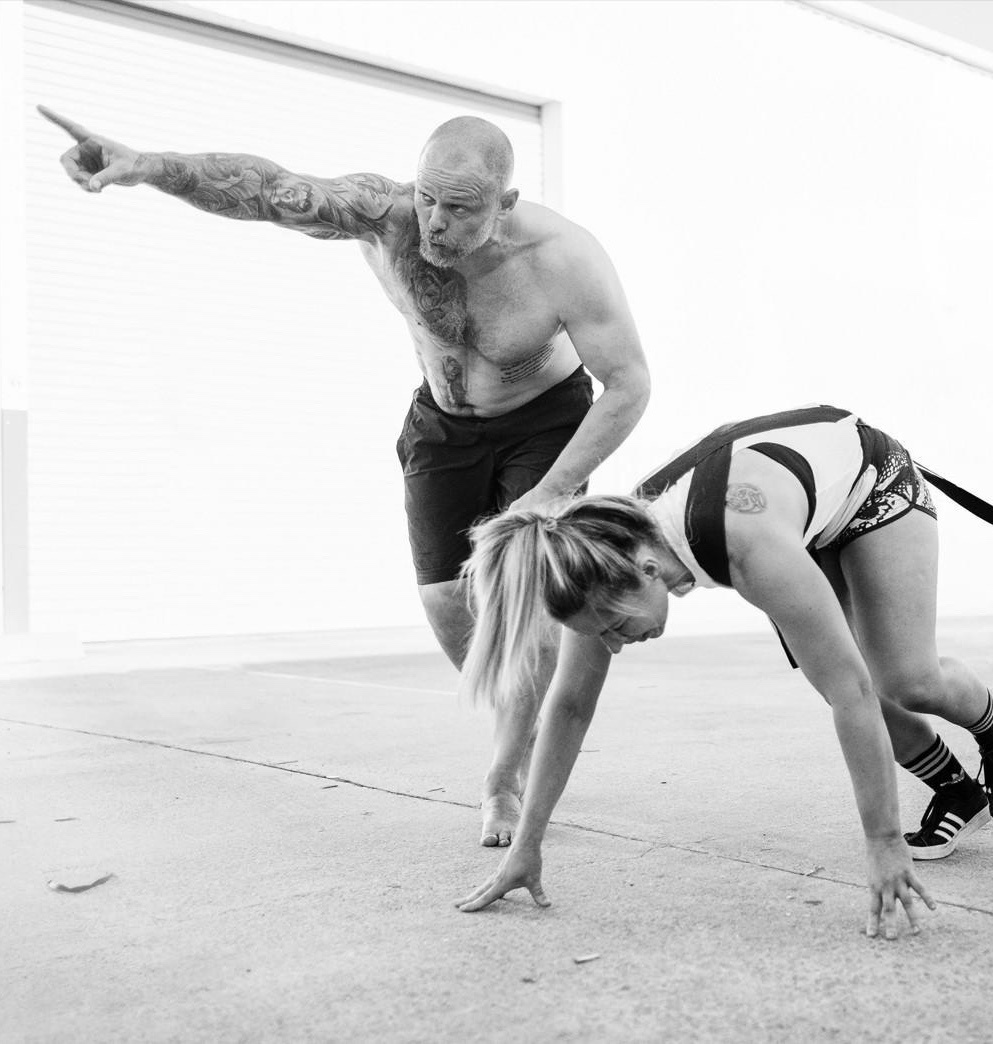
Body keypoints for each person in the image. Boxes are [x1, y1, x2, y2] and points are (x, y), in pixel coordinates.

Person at [39, 105, 651, 848]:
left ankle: (504, 775)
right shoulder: (386, 217)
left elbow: (629, 384)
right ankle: (513, 718)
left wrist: (553, 491)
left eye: (459, 209)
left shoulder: (563, 258)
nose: (435, 223)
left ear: (505, 204)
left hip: (544, 420)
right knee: (446, 600)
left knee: (524, 593)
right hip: (444, 421)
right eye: (428, 197)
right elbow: (266, 189)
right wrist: (146, 166)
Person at [451, 405, 993, 939]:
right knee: (835, 676)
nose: (614, 646)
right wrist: (527, 844)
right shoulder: (602, 556)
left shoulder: (746, 548)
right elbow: (571, 705)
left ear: (649, 570)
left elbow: (851, 691)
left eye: (615, 627)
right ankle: (957, 791)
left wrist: (883, 844)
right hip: (794, 513)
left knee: (902, 681)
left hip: (870, 484)